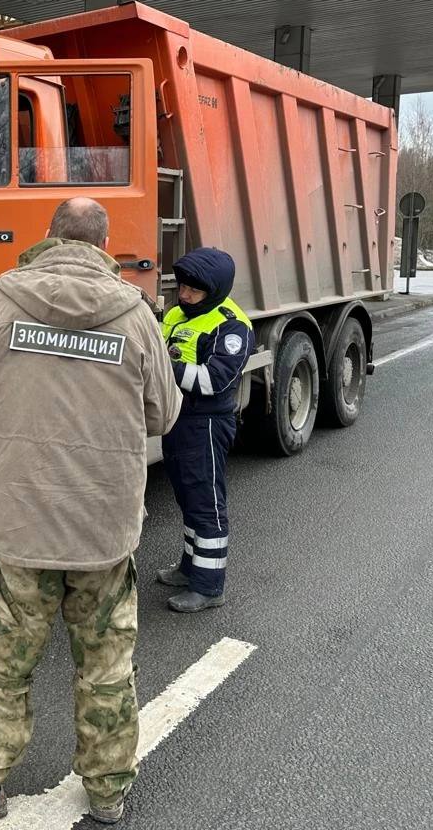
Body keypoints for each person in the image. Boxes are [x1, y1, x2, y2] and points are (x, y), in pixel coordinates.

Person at [0, 197, 181, 824]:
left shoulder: (2, 303)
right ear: (104, 245)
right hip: (102, 528)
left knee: (5, 664)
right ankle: (107, 792)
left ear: (49, 238)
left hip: (18, 524)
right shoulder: (136, 316)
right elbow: (164, 415)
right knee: (106, 669)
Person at [157, 248, 254, 613]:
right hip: (177, 419)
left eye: (193, 291)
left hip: (206, 423)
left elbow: (214, 380)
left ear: (213, 291)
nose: (184, 295)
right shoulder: (179, 313)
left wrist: (161, 368)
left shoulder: (231, 326)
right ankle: (189, 568)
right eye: (181, 287)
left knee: (206, 503)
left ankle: (209, 586)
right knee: (186, 496)